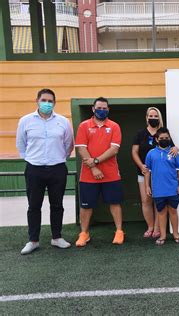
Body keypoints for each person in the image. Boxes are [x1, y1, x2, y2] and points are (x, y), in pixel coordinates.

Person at [16, 88, 74, 255]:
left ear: (54, 103)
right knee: (34, 206)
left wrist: (57, 159)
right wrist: (34, 160)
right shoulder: (25, 121)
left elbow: (68, 144)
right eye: (44, 100)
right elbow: (21, 144)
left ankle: (57, 237)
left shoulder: (62, 121)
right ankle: (33, 240)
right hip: (34, 168)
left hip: (57, 168)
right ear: (37, 101)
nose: (47, 104)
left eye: (50, 101)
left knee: (57, 205)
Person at [74, 97, 125, 247]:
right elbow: (81, 148)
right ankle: (84, 233)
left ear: (108, 110)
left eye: (104, 108)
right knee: (86, 205)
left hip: (111, 174)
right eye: (99, 108)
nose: (101, 110)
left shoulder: (114, 126)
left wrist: (95, 161)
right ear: (93, 109)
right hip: (88, 175)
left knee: (115, 203)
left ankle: (119, 231)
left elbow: (114, 149)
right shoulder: (84, 126)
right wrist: (94, 168)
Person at [131, 107, 178, 239]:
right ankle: (150, 227)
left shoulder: (163, 133)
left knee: (159, 200)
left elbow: (172, 147)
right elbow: (134, 152)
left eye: (155, 116)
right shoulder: (140, 134)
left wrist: (176, 148)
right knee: (146, 200)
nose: (153, 118)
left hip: (160, 174)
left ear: (159, 118)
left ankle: (158, 228)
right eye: (150, 116)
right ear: (146, 118)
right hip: (144, 172)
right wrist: (141, 166)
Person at [144, 127, 179, 246]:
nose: (164, 140)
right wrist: (147, 186)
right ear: (156, 139)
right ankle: (162, 236)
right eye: (162, 138)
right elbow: (147, 171)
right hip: (158, 190)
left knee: (173, 211)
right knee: (161, 212)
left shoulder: (174, 153)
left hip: (173, 189)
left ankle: (176, 234)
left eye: (166, 138)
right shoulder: (151, 154)